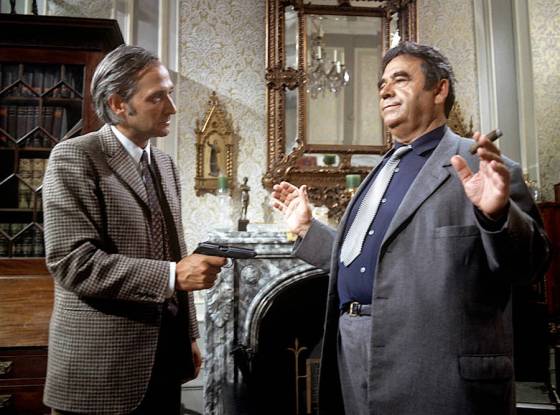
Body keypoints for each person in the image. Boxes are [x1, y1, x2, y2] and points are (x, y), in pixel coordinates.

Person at [271, 42, 550, 415]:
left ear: (439, 89)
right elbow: (375, 262)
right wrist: (307, 228)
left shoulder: (480, 168)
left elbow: (529, 266)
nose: (385, 91)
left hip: (437, 374)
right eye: (382, 84)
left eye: (400, 79)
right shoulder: (380, 172)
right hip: (353, 356)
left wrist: (497, 215)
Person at [42, 45, 226, 414]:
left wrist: (188, 335)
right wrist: (172, 275)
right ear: (118, 104)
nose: (172, 108)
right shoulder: (75, 157)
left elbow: (175, 250)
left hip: (164, 359)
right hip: (101, 370)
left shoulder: (165, 164)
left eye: (169, 93)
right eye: (157, 97)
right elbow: (72, 262)